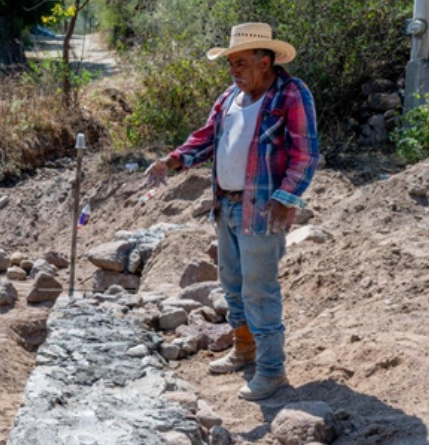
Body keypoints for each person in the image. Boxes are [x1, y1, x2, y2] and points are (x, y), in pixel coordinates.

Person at [145, 22, 319, 400]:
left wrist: (285, 198)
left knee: (260, 290)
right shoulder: (229, 98)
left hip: (263, 208)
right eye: (231, 64)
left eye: (240, 63)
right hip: (226, 205)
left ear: (265, 60)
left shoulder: (291, 94)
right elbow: (207, 137)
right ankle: (245, 350)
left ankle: (272, 372)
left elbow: (306, 155)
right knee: (233, 286)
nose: (234, 71)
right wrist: (171, 162)